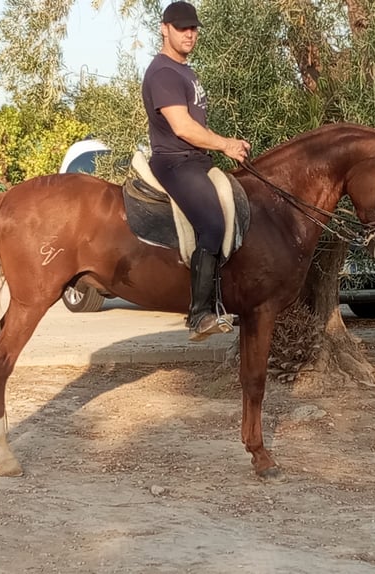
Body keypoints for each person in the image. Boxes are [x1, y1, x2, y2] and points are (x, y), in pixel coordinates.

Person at [142, 1, 251, 341]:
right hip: (175, 161)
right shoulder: (163, 72)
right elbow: (183, 127)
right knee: (213, 224)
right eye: (181, 28)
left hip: (196, 160)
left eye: (193, 28)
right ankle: (200, 313)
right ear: (164, 28)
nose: (190, 34)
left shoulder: (186, 70)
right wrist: (226, 144)